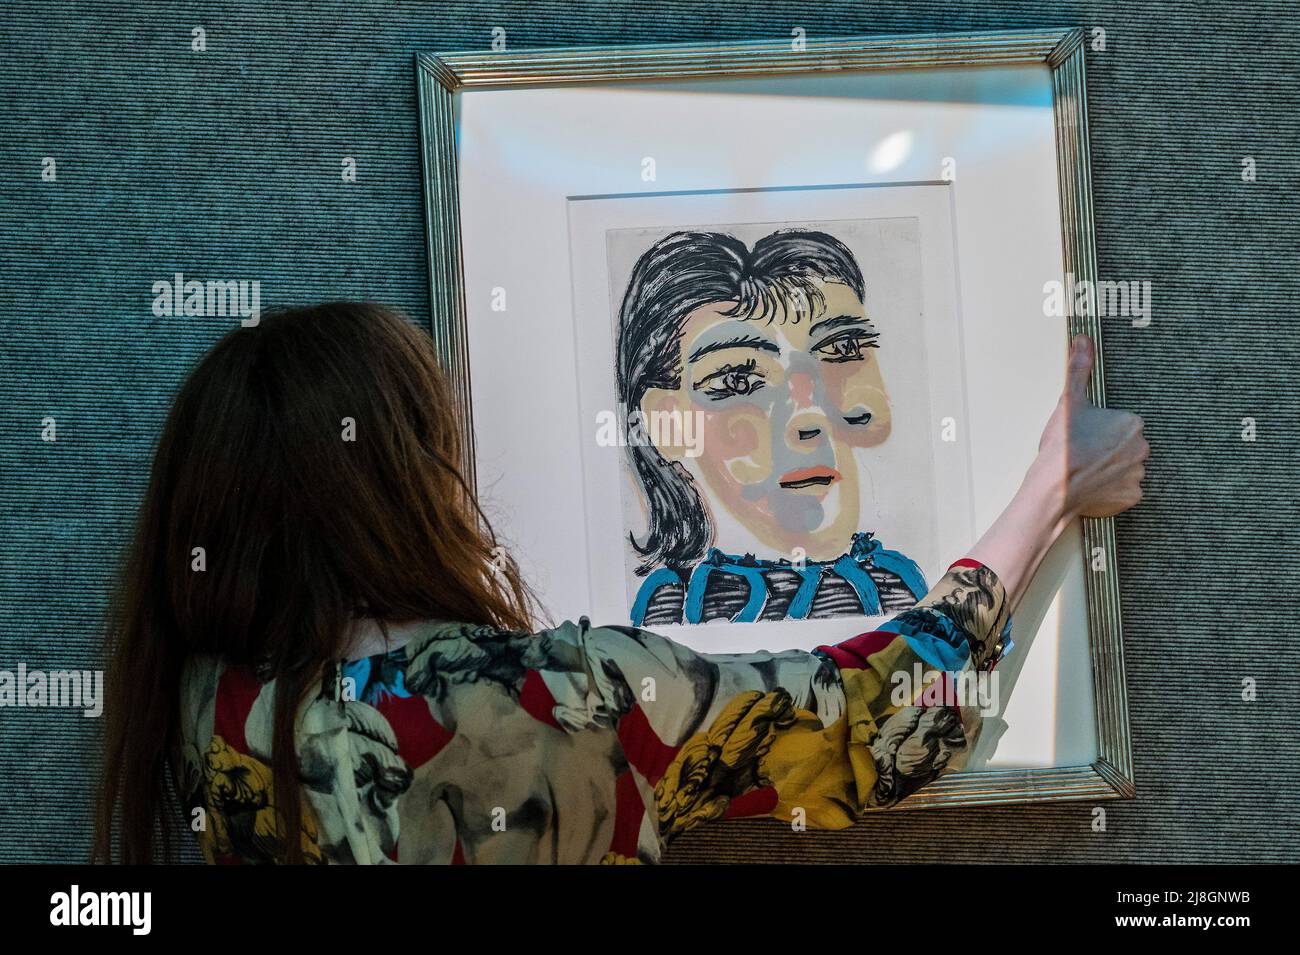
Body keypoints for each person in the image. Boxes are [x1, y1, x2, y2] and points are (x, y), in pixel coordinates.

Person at [93, 302, 1147, 864]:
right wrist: (1046, 496)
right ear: (411, 478)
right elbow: (867, 719)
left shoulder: (202, 708)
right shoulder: (571, 696)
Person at [618, 230, 928, 626]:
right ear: (666, 421)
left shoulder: (904, 589)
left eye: (842, 349)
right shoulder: (668, 614)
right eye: (738, 380)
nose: (808, 417)